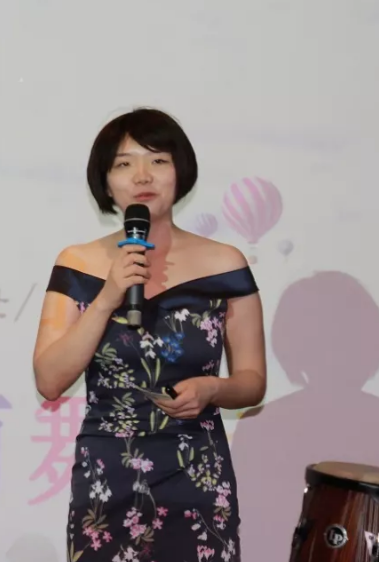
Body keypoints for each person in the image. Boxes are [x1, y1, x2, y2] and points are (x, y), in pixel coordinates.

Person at [32, 107, 266, 562]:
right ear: (106, 182)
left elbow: (253, 381)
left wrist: (213, 389)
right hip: (108, 477)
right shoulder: (77, 263)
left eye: (158, 160)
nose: (142, 175)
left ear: (181, 171)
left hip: (197, 474)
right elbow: (49, 379)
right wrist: (108, 296)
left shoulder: (225, 264)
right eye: (124, 163)